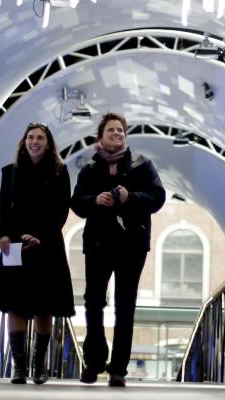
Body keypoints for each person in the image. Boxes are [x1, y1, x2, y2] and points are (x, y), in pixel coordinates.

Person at [70, 113, 166, 387]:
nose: (117, 133)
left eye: (121, 130)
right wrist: (95, 200)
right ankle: (94, 361)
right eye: (111, 130)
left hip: (132, 245)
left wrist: (129, 197)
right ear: (100, 136)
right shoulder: (89, 168)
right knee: (93, 302)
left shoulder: (141, 165)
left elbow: (157, 198)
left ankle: (118, 369)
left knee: (125, 306)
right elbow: (76, 203)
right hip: (99, 243)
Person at [0, 122, 75, 384]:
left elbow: (60, 211)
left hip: (47, 244)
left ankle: (39, 367)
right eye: (30, 137)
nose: (34, 141)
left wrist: (40, 237)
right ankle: (20, 369)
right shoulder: (9, 172)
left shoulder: (60, 172)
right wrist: (2, 234)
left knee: (43, 307)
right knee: (15, 305)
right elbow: (4, 207)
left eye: (40, 138)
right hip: (15, 244)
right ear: (24, 142)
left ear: (48, 144)